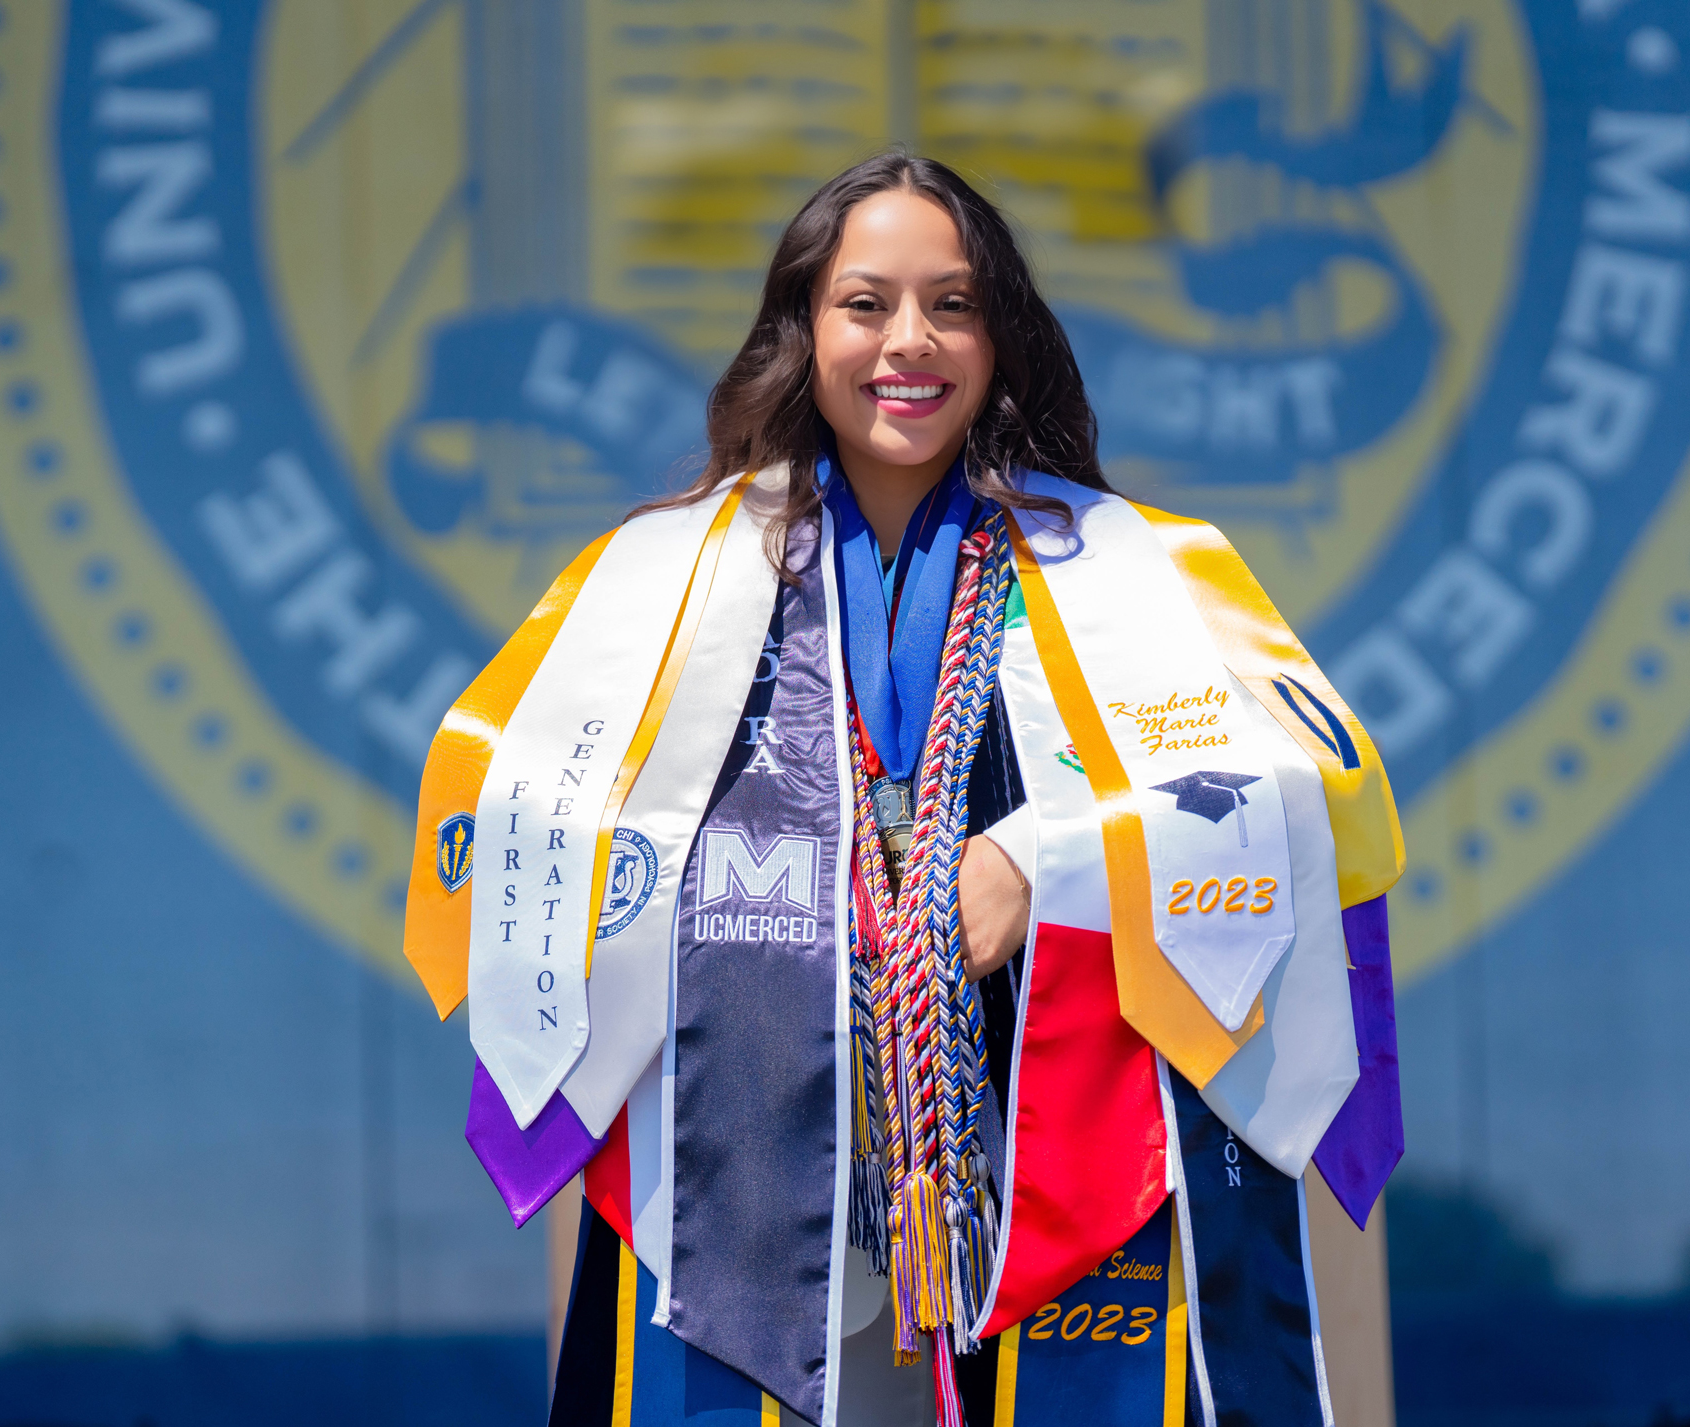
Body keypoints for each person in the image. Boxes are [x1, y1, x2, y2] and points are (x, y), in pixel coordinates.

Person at [402, 153, 1406, 1427]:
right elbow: (522, 810)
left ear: (1002, 337)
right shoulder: (656, 582)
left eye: (953, 303)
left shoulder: (1126, 569)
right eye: (865, 303)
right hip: (747, 1152)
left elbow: (1302, 790)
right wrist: (770, 889)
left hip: (1060, 1159)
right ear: (801, 329)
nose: (908, 342)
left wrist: (1046, 862)